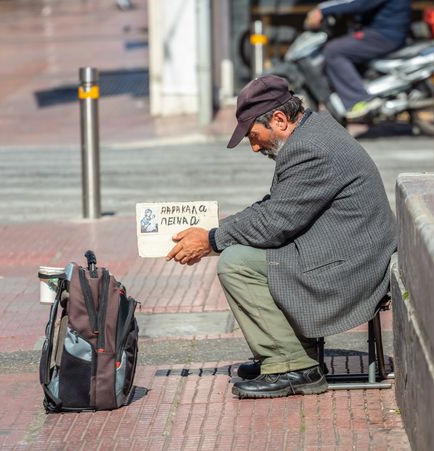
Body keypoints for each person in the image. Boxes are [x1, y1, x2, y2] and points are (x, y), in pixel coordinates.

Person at [166, 75, 396, 399]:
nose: (255, 146)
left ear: (279, 119)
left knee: (236, 264)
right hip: (349, 250)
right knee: (247, 248)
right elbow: (278, 207)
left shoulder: (310, 148)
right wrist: (220, 229)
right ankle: (297, 352)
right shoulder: (312, 131)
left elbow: (275, 223)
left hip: (356, 268)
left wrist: (213, 240)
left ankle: (292, 367)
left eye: (253, 135)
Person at [304, 0, 411, 119]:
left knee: (333, 51)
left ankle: (358, 100)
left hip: (384, 34)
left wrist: (322, 10)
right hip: (382, 32)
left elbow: (359, 4)